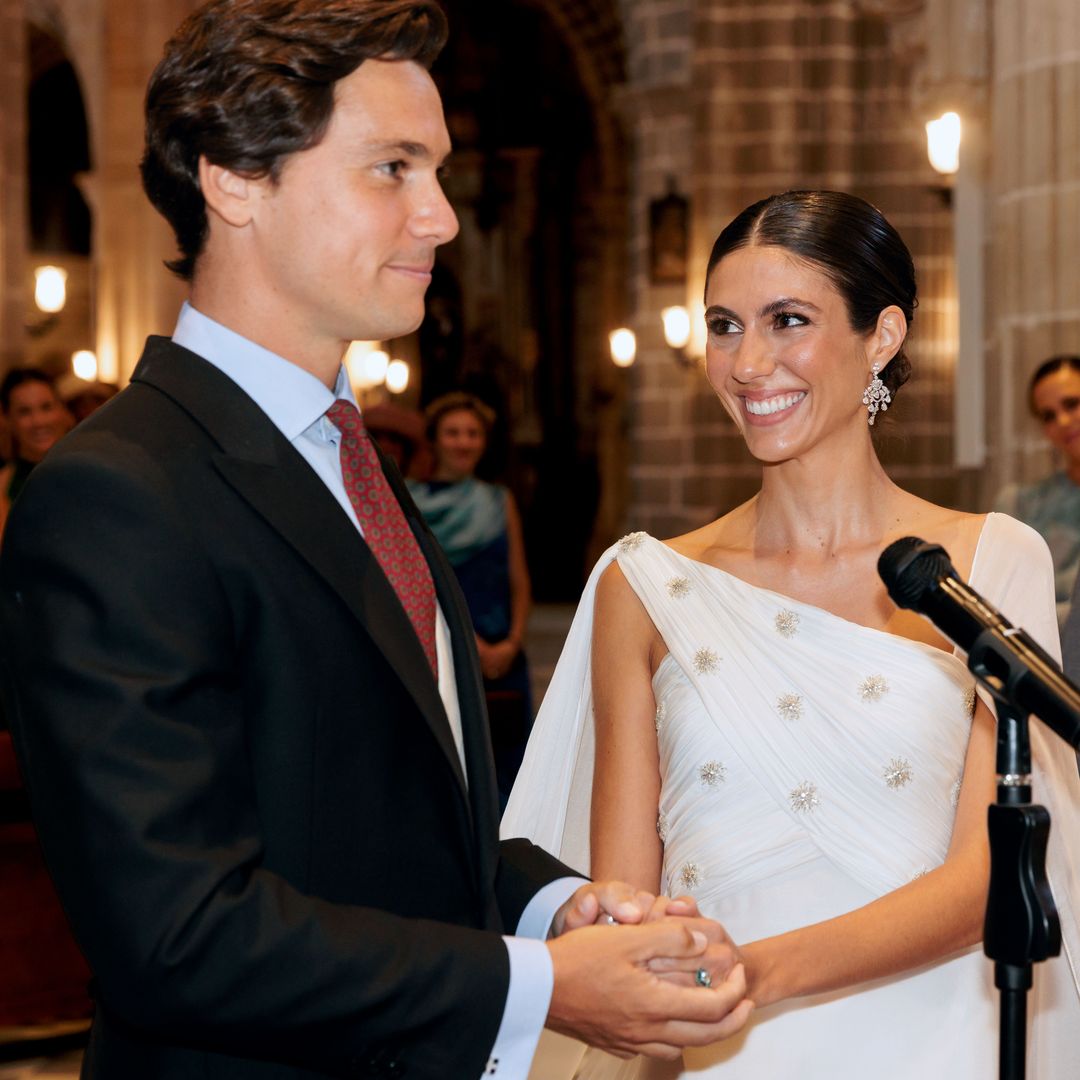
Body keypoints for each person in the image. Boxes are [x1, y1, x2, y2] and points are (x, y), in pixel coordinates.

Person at [0, 3, 753, 1078]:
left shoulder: (354, 464)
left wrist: (554, 907)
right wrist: (538, 986)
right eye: (393, 168)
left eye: (437, 171)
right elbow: (175, 935)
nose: (440, 217)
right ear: (234, 178)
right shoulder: (115, 494)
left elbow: (382, 820)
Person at [504, 190, 1080, 1078]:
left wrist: (752, 974)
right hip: (711, 1050)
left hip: (933, 1039)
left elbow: (988, 876)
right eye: (725, 325)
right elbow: (627, 896)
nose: (749, 362)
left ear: (881, 337)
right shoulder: (644, 585)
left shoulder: (991, 563)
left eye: (789, 321)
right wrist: (666, 975)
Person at [409, 392, 533, 806]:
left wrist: (512, 643)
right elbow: (414, 583)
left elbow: (518, 580)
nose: (463, 442)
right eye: (453, 433)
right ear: (435, 440)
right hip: (441, 652)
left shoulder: (498, 500)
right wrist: (467, 643)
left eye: (473, 433)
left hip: (503, 660)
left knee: (509, 778)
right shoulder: (409, 500)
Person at [994, 355, 1080, 630]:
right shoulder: (1020, 505)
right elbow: (1001, 607)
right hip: (1038, 663)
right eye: (1049, 415)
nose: (1064, 421)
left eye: (1072, 404)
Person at [0, 368, 70, 538]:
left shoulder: (91, 472)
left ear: (61, 410)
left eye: (46, 407)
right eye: (24, 412)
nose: (38, 421)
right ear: (8, 419)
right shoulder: (3, 486)